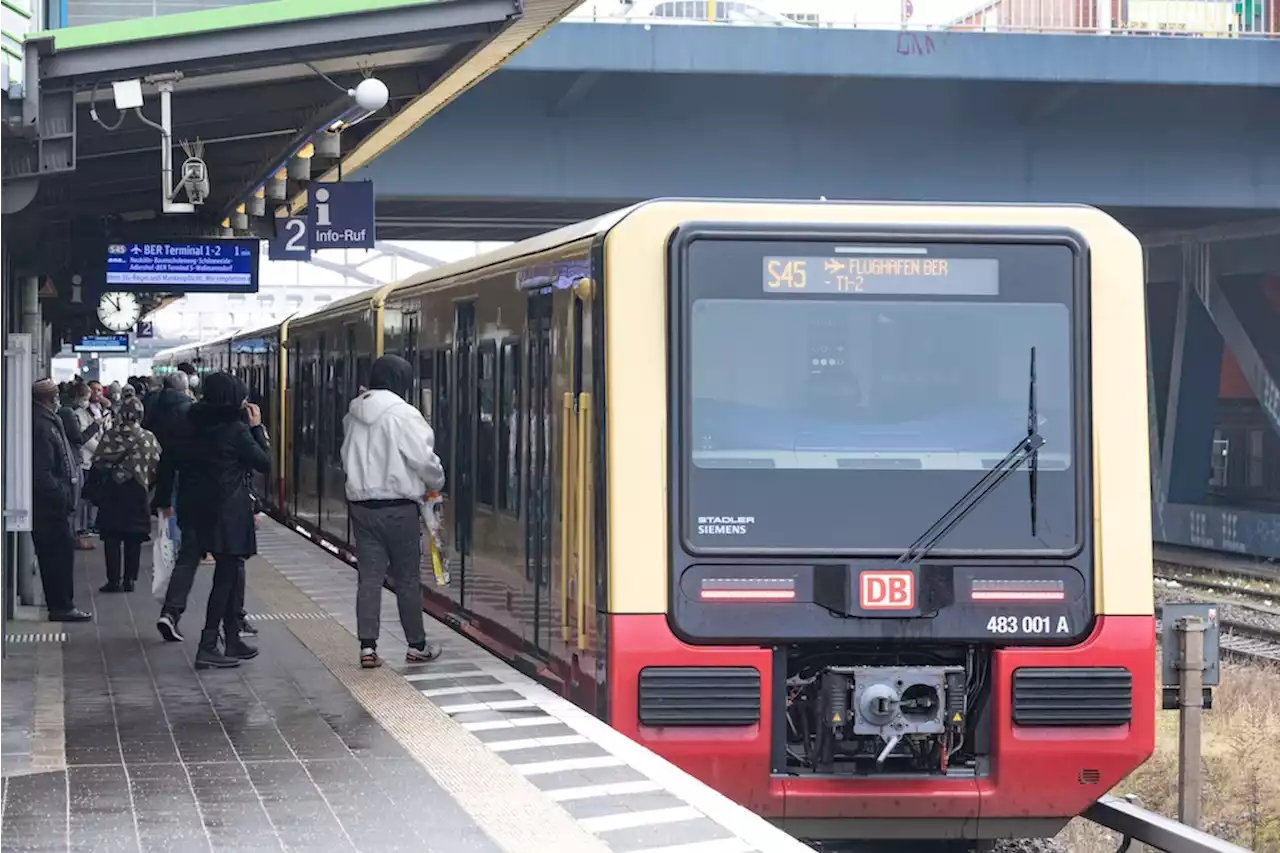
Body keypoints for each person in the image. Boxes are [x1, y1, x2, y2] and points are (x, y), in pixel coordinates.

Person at [340, 354, 445, 669]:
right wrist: (437, 480)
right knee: (407, 579)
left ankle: (368, 648)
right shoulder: (405, 414)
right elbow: (424, 460)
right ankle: (416, 645)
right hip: (399, 508)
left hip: (361, 508)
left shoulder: (353, 413)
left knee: (369, 578)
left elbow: (345, 456)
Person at [181, 372, 270, 669]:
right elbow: (263, 462)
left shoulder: (194, 425)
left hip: (204, 509)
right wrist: (257, 429)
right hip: (230, 513)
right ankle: (208, 644)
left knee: (231, 575)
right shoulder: (236, 429)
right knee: (226, 579)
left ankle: (232, 638)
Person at [30, 379, 91, 622]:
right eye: (56, 396)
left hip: (54, 504)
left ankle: (62, 604)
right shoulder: (42, 425)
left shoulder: (47, 421)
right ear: (49, 398)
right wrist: (62, 494)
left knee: (61, 554)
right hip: (49, 507)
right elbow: (42, 471)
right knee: (57, 556)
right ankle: (62, 606)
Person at [89, 396, 161, 593]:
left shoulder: (111, 436)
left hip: (113, 491)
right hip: (138, 492)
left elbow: (98, 462)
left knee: (111, 537)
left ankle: (113, 580)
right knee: (134, 537)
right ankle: (130, 580)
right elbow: (156, 466)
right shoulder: (148, 438)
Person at [69, 383, 105, 548]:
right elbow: (82, 438)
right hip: (85, 458)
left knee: (87, 496)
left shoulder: (87, 411)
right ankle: (79, 529)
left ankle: (84, 527)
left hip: (90, 459)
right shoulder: (76, 414)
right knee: (82, 497)